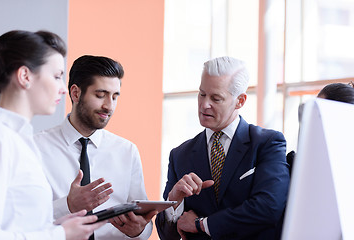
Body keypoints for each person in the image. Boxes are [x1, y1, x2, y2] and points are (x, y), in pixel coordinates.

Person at [155, 56, 290, 240]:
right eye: (202, 94)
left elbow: (268, 207)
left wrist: (202, 224)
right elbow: (166, 235)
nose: (204, 104)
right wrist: (174, 202)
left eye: (216, 98)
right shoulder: (180, 155)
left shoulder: (267, 143)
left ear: (240, 101)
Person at [0, 30, 104, 239]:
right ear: (25, 76)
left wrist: (51, 227)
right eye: (56, 76)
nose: (64, 89)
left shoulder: (22, 142)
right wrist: (59, 235)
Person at [34, 55, 157, 240]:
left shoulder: (127, 151)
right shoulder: (35, 148)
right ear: (75, 93)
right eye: (100, 95)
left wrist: (139, 230)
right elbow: (20, 220)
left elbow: (144, 225)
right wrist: (67, 206)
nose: (109, 106)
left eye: (115, 97)